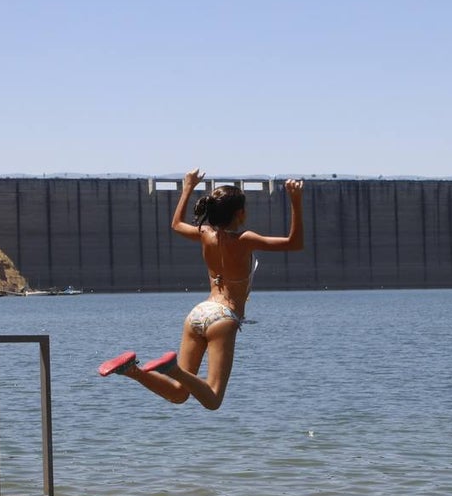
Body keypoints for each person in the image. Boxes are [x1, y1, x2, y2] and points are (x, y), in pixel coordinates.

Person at [98, 169, 304, 410]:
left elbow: (176, 224)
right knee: (213, 399)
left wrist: (188, 186)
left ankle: (132, 370)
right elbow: (294, 243)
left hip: (199, 312)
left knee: (178, 394)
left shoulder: (205, 233)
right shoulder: (245, 239)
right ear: (240, 213)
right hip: (223, 317)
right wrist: (295, 201)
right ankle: (172, 369)